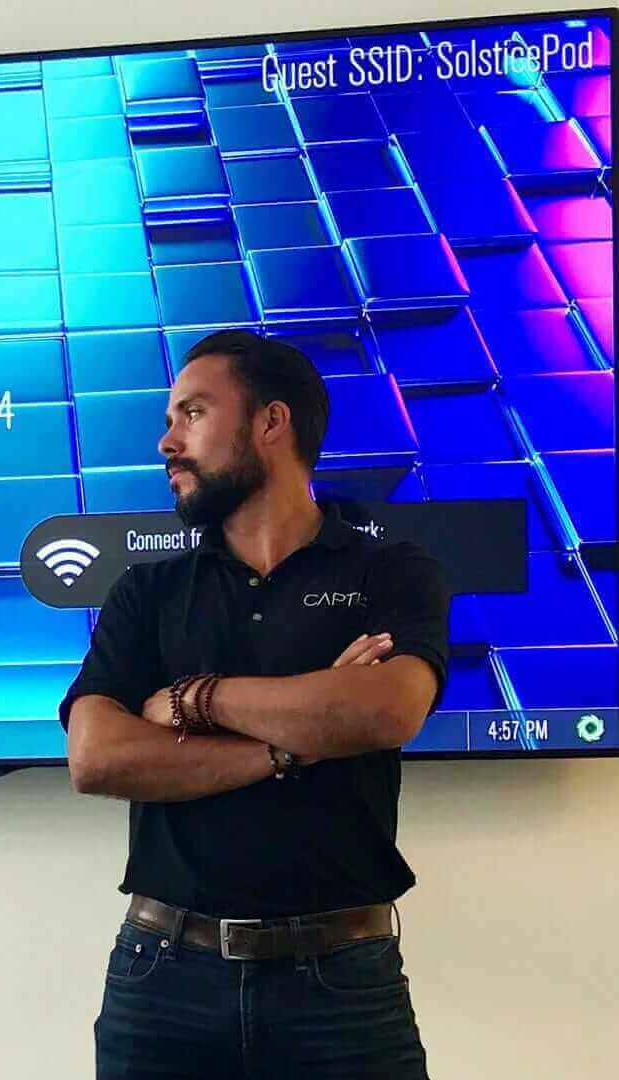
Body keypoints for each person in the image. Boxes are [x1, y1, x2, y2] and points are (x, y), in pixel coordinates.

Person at [58, 328, 453, 1079]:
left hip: (342, 980)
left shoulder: (391, 573)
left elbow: (386, 710)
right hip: (161, 974)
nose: (167, 439)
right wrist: (293, 738)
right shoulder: (150, 592)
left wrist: (190, 700)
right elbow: (97, 755)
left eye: (192, 414)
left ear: (272, 423)